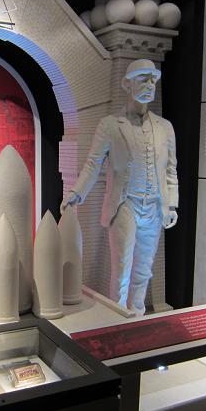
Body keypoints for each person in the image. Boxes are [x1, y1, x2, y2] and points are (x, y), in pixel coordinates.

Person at [60, 59, 178, 316]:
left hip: (154, 208)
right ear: (126, 84)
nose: (150, 84)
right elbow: (93, 164)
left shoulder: (165, 127)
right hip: (125, 205)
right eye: (143, 78)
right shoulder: (110, 125)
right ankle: (118, 319)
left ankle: (137, 315)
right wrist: (76, 192)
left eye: (153, 80)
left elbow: (171, 170)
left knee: (144, 270)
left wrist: (171, 205)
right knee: (122, 268)